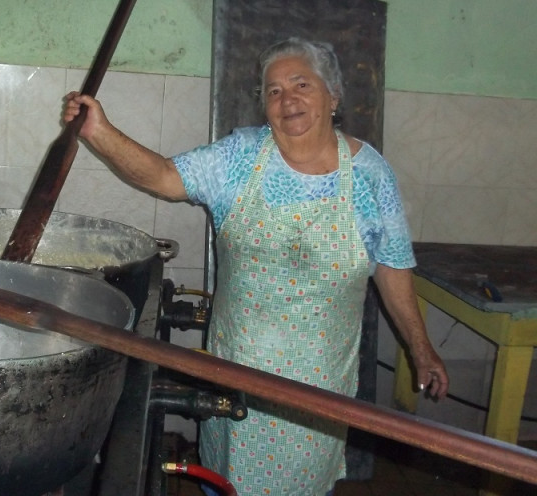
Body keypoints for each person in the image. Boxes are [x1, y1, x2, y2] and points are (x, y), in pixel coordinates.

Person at [62, 36, 449, 496]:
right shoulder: (240, 157)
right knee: (230, 479)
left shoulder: (371, 175)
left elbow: (392, 267)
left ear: (333, 95)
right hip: (239, 372)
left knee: (305, 482)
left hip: (319, 383)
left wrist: (421, 348)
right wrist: (99, 132)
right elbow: (165, 177)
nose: (289, 100)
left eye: (301, 84)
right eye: (274, 91)